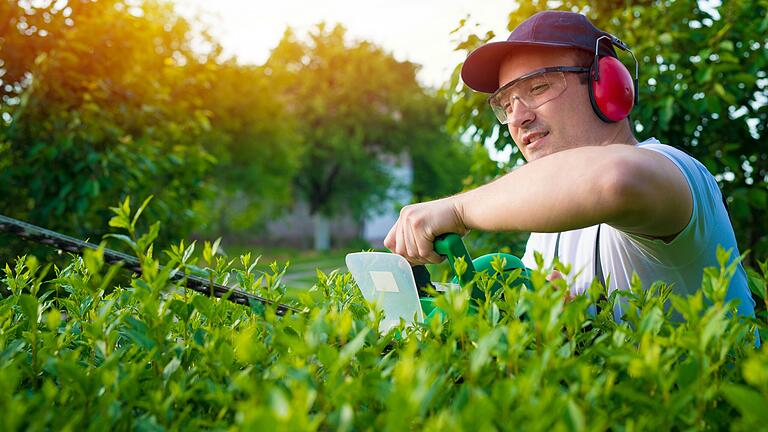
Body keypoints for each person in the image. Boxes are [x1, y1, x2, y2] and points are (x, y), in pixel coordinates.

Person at [383, 10, 756, 322]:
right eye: (506, 104)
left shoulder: (674, 172)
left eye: (538, 88)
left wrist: (458, 209)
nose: (518, 118)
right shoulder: (547, 229)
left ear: (606, 85)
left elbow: (614, 180)